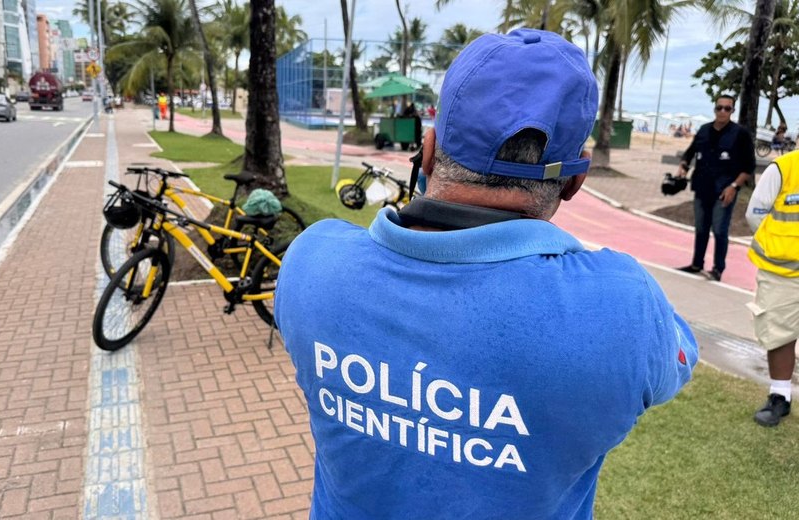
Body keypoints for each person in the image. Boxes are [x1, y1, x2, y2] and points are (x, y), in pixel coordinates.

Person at [274, 29, 697, 519]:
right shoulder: (623, 307)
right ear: (576, 182)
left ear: (428, 152)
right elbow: (676, 360)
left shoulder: (312, 263)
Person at [675, 94, 755, 282]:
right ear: (714, 109)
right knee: (701, 228)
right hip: (702, 188)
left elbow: (749, 167)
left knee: (719, 230)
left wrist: (734, 187)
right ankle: (696, 264)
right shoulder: (703, 130)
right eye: (719, 108)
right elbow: (689, 153)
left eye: (727, 108)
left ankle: (718, 269)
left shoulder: (740, 134)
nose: (722, 112)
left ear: (732, 111)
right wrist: (683, 167)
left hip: (724, 191)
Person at [745, 149, 799, 427]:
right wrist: (779, 249)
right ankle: (780, 396)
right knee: (779, 333)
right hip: (781, 273)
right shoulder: (783, 168)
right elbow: (756, 214)